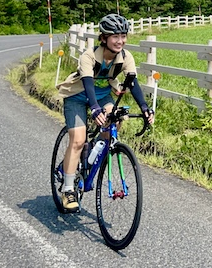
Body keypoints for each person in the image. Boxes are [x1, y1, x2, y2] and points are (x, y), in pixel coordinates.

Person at [55, 13, 154, 212]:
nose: (120, 41)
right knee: (77, 140)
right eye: (115, 36)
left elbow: (132, 83)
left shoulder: (125, 57)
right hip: (78, 96)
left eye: (123, 36)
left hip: (102, 96)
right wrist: (94, 108)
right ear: (104, 38)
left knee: (115, 121)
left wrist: (144, 108)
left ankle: (90, 152)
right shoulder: (89, 56)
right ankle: (68, 190)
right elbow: (88, 83)